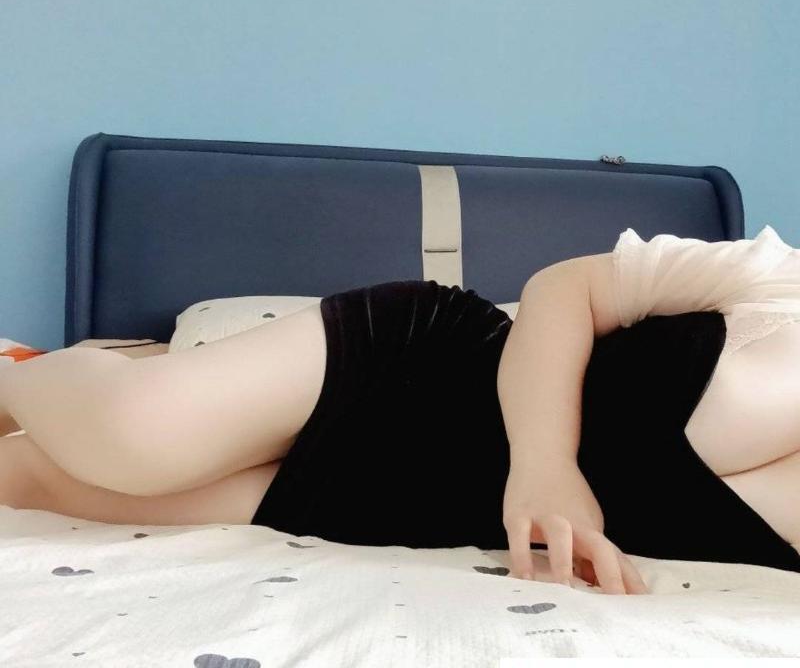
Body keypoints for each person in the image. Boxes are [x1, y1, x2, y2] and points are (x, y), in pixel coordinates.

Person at [2, 226, 800, 596]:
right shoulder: (781, 277)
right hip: (425, 371)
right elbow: (566, 287)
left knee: (28, 481)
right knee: (136, 437)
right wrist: (546, 462)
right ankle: (18, 370)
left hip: (418, 506)